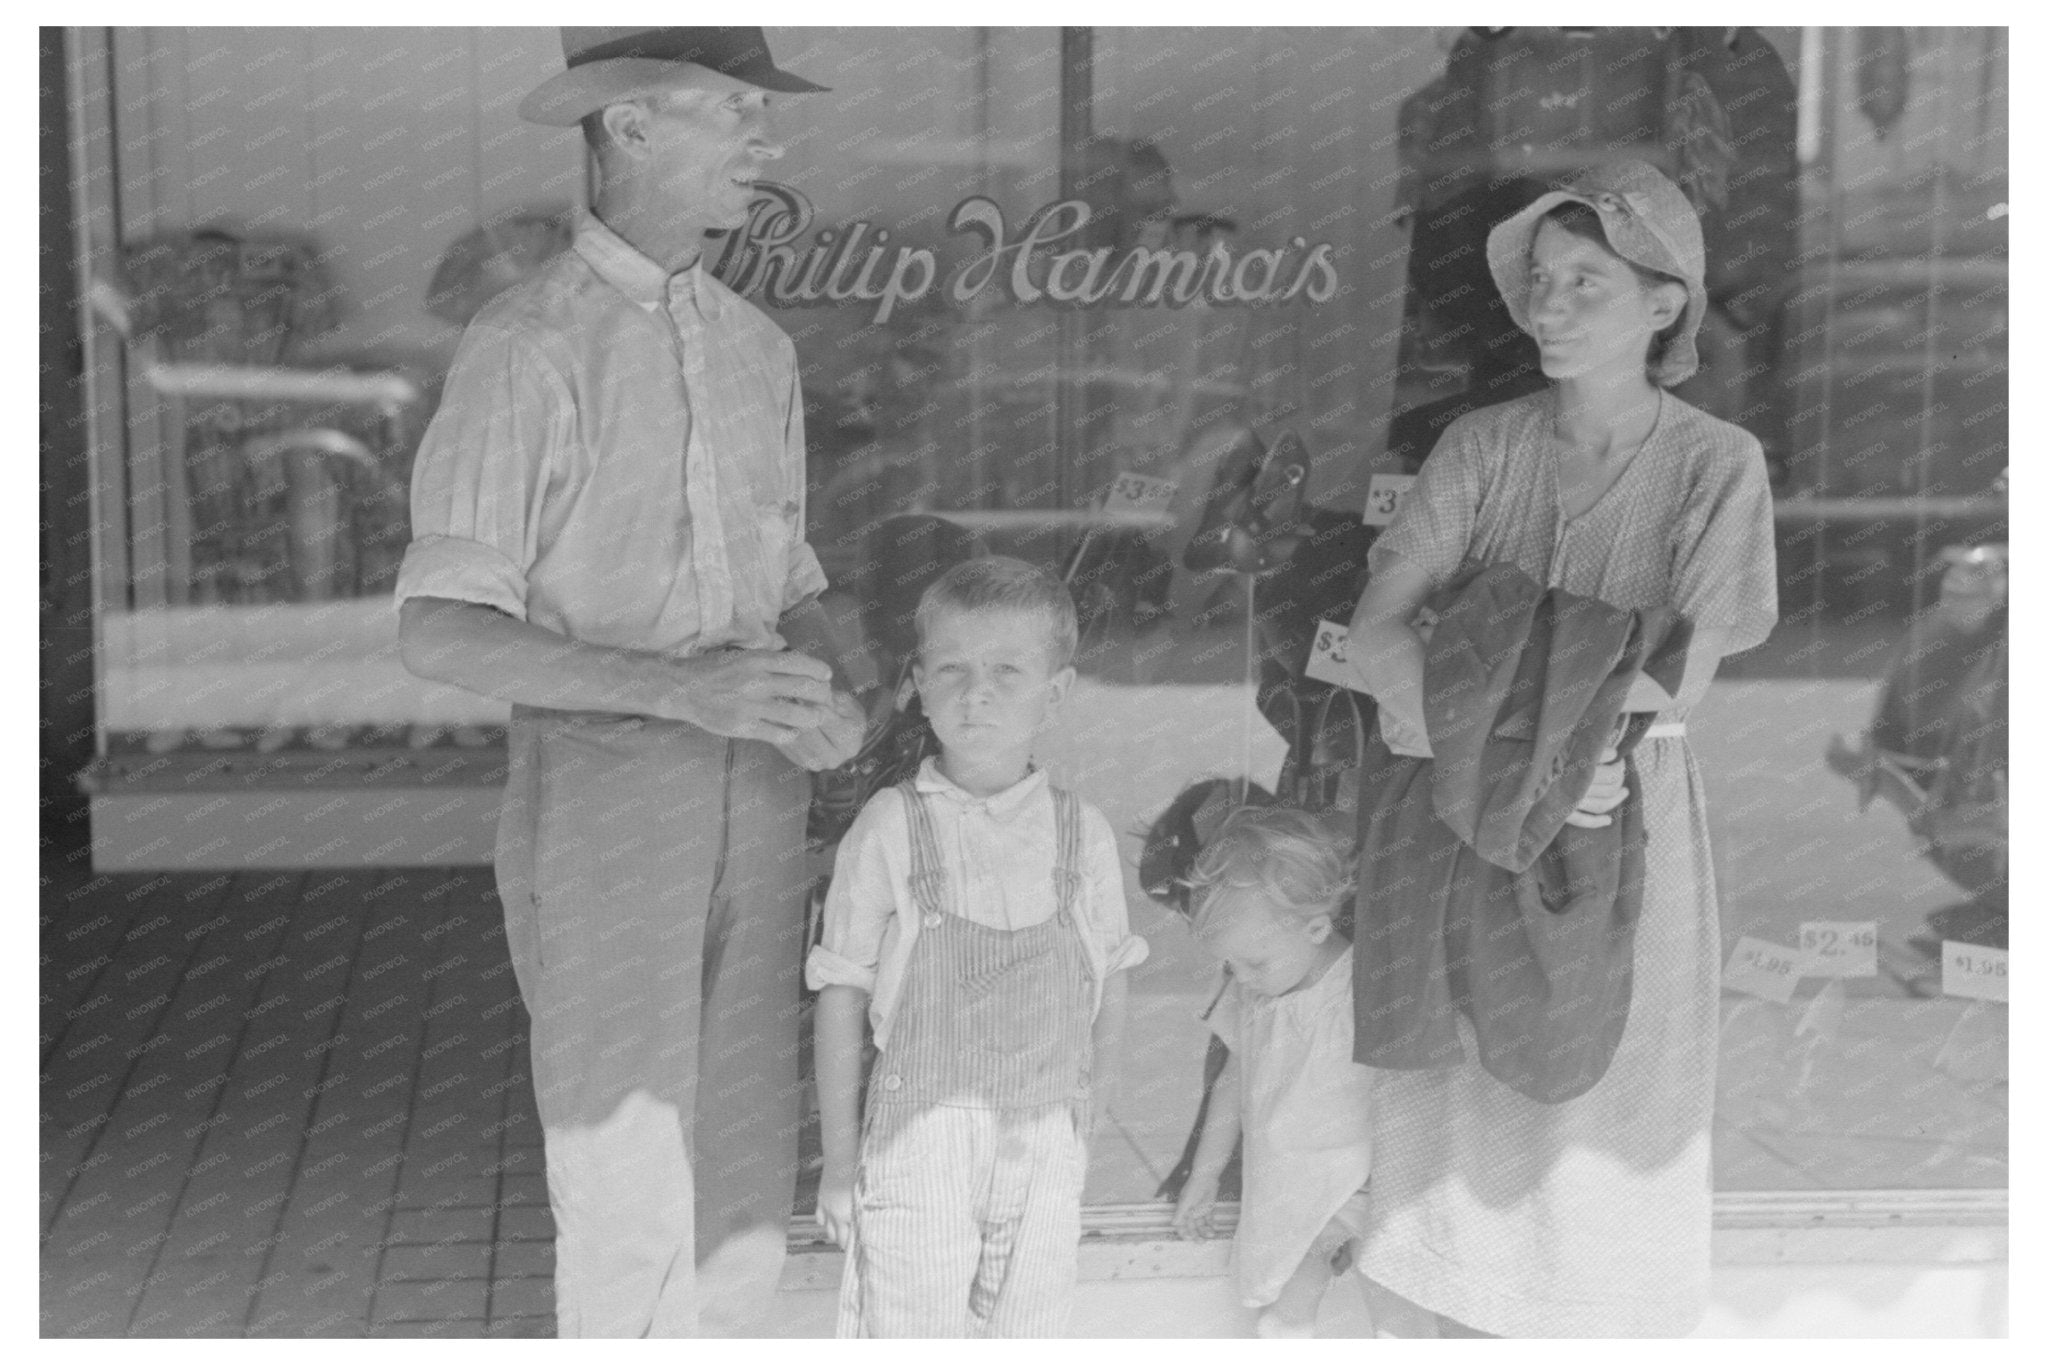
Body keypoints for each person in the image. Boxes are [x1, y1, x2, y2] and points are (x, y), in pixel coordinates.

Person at [393, 27, 873, 1338]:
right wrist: (682, 692)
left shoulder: (756, 347)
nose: (764, 140)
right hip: (606, 794)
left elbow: (786, 581)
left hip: (762, 794)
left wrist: (840, 690)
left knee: (741, 1158)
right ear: (628, 127)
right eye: (731, 109)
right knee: (623, 1166)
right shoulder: (524, 348)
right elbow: (438, 629)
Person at [1343, 159, 1778, 1337]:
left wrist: (1555, 753)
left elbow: (1679, 668)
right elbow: (1380, 627)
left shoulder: (1713, 464)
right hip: (1464, 807)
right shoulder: (1479, 448)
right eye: (1540, 280)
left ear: (1661, 305)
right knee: (1464, 1103)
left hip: (1619, 810)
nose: (1549, 304)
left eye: (1586, 280)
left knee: (1608, 1113)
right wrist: (1500, 764)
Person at [807, 557, 1148, 1336]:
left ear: (1055, 692)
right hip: (918, 1144)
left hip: (1044, 1147)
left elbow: (1112, 987)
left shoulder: (1080, 831)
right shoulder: (891, 826)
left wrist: (1083, 1130)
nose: (977, 691)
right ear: (918, 684)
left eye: (1006, 669)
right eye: (952, 669)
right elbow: (842, 993)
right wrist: (836, 1163)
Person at [1170, 807, 1375, 1339]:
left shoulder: (1360, 989)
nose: (1242, 979)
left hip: (1356, 1187)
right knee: (1286, 1308)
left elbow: (1401, 1087)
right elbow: (1231, 1085)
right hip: (1289, 1184)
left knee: (1390, 1316)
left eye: (1254, 963)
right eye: (1230, 965)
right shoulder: (1256, 993)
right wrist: (1205, 1174)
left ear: (1317, 928)